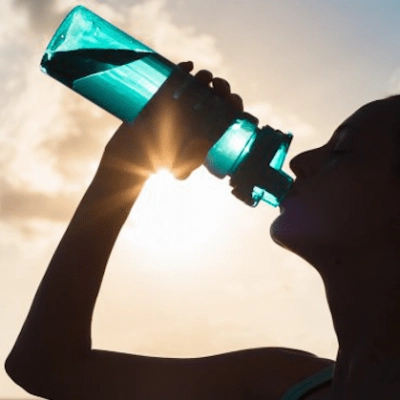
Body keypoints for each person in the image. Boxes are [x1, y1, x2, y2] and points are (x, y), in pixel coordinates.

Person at [5, 60, 400, 400]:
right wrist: (124, 170)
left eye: (343, 150)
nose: (300, 161)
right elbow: (45, 366)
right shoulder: (277, 380)